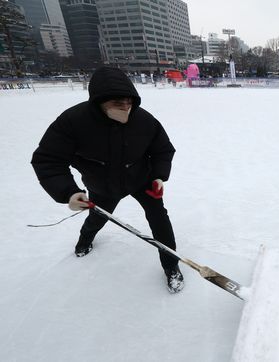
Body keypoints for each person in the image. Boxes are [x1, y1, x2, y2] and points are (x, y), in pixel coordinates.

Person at [31, 66, 184, 293]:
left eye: (128, 102)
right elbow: (48, 160)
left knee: (159, 219)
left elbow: (162, 150)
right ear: (99, 102)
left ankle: (171, 265)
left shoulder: (144, 120)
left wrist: (159, 176)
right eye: (117, 103)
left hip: (142, 180)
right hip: (103, 184)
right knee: (98, 217)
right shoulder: (73, 122)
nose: (125, 108)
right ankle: (85, 240)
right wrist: (68, 192)